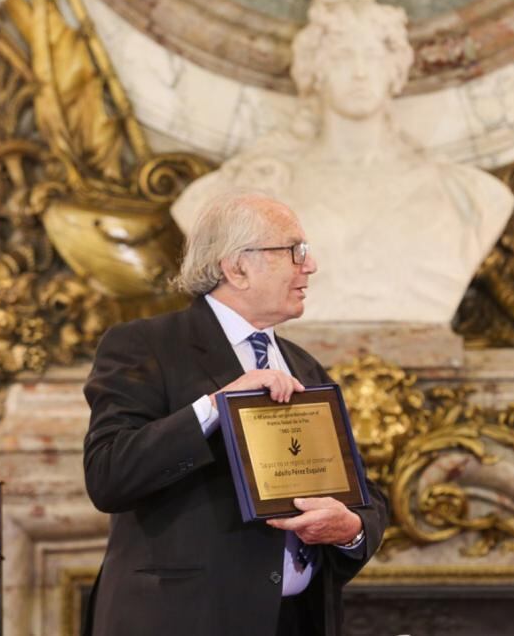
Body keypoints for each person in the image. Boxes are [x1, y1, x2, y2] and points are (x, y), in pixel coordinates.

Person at [82, 191, 388, 636]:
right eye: (294, 250)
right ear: (237, 267)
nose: (310, 265)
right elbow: (109, 474)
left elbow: (364, 492)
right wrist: (215, 407)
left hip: (295, 620)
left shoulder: (303, 366)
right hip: (183, 621)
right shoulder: (145, 345)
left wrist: (350, 528)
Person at [171, 0, 514, 323]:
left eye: (373, 55)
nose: (360, 72)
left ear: (396, 69)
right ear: (315, 70)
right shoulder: (249, 187)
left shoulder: (467, 196)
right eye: (343, 56)